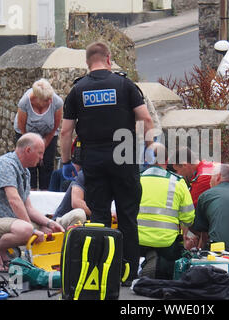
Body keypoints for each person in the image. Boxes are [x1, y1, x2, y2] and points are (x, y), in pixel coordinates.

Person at [60, 41, 154, 284]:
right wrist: (148, 150)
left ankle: (102, 271)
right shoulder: (125, 85)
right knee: (127, 216)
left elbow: (66, 132)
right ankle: (130, 273)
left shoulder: (77, 90)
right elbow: (145, 118)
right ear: (109, 59)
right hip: (124, 158)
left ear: (88, 62)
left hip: (93, 161)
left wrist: (66, 162)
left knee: (99, 217)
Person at [0, 133, 64, 272]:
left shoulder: (25, 172)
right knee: (26, 230)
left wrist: (49, 223)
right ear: (28, 150)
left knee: (47, 231)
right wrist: (31, 230)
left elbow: (28, 208)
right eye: (40, 153)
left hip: (6, 222)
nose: (41, 158)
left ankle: (3, 251)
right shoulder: (5, 164)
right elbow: (14, 200)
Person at [171, 147, 229, 234]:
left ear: (184, 165)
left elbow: (188, 212)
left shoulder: (203, 178)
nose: (179, 176)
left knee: (192, 221)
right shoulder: (208, 167)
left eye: (177, 172)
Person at [138, 143, 195, 279]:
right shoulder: (177, 182)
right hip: (166, 243)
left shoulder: (136, 179)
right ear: (167, 161)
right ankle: (158, 265)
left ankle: (144, 262)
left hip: (138, 241)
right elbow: (188, 218)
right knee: (171, 264)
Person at [14, 78, 63, 190]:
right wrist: (32, 148)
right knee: (29, 164)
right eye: (46, 100)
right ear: (37, 98)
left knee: (46, 164)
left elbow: (54, 127)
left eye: (50, 98)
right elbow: (22, 129)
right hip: (26, 134)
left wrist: (43, 147)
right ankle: (30, 191)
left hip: (48, 134)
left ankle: (45, 192)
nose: (49, 102)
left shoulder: (57, 102)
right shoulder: (24, 102)